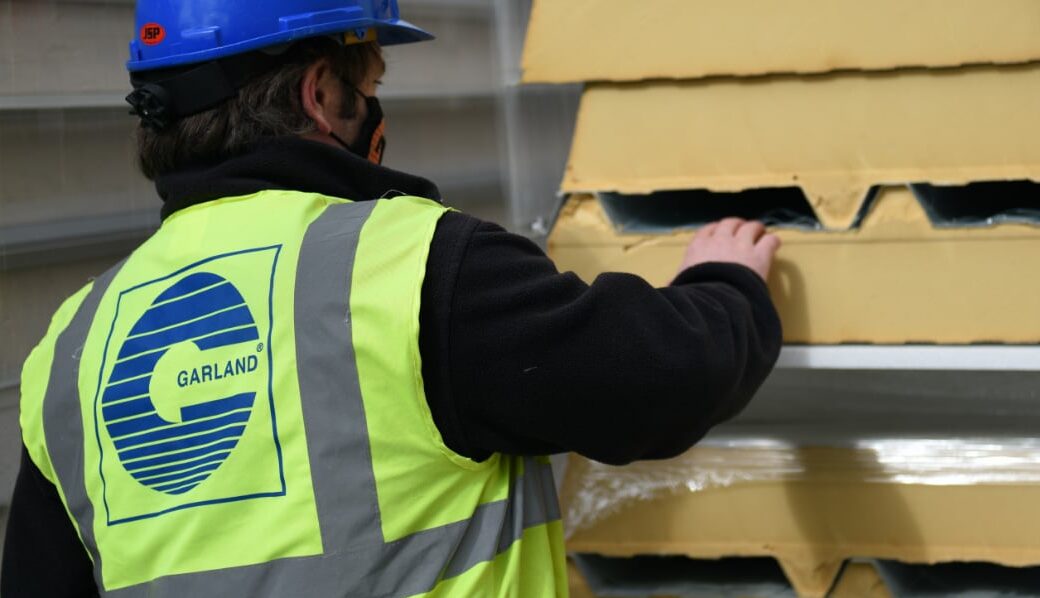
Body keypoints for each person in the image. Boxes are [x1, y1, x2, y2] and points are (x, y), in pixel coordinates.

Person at [1, 1, 782, 596]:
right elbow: (660, 378)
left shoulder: (72, 347)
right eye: (369, 85)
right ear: (319, 94)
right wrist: (726, 284)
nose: (378, 111)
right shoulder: (417, 265)